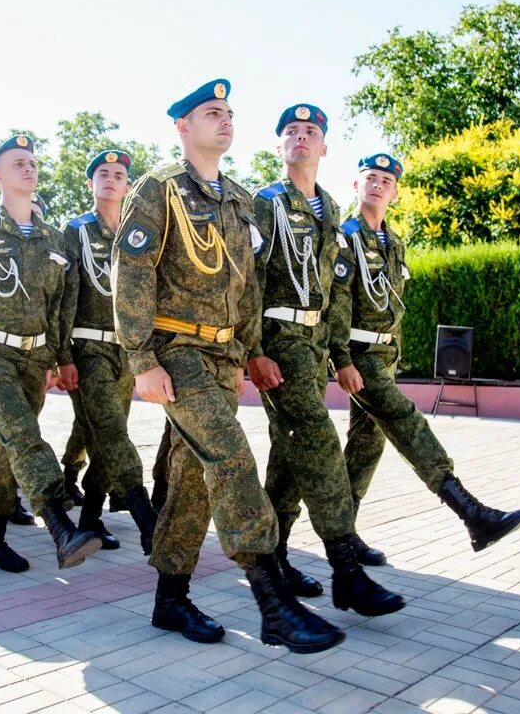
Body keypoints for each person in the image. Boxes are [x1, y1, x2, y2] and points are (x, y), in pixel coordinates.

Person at [112, 79, 343, 653]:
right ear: (183, 126)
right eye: (212, 112)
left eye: (230, 113)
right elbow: (132, 273)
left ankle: (170, 600)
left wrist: (249, 349)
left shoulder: (239, 200)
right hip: (174, 352)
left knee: (193, 481)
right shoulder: (158, 189)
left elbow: (245, 288)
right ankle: (273, 602)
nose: (225, 120)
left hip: (221, 356)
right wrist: (141, 359)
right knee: (233, 458)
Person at [333, 154, 520, 562]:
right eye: (370, 178)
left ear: (395, 192)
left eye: (386, 180)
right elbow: (335, 305)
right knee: (407, 422)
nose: (378, 185)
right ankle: (471, 513)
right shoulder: (344, 237)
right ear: (356, 185)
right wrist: (341, 360)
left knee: (366, 445)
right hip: (359, 354)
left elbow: (392, 305)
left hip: (384, 355)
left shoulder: (394, 241)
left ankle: (342, 537)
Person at [248, 104, 404, 617]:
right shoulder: (265, 203)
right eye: (290, 131)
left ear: (324, 148)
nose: (300, 137)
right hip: (280, 339)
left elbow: (333, 293)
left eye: (310, 131)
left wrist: (335, 355)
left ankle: (274, 559)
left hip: (313, 346)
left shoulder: (331, 209)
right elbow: (246, 281)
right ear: (280, 147)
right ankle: (346, 571)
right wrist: (253, 350)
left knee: (290, 456)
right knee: (317, 440)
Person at [0, 134, 101, 571]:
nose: (28, 168)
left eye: (31, 162)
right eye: (17, 163)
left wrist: (59, 356)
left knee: (11, 446)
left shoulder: (53, 237)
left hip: (35, 357)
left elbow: (61, 305)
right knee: (24, 434)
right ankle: (59, 525)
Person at [56, 149, 158, 553]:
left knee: (106, 438)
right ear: (91, 183)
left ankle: (91, 518)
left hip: (128, 353)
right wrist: (61, 354)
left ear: (128, 185)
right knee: (112, 432)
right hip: (88, 349)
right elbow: (63, 297)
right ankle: (144, 515)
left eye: (119, 174)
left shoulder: (137, 232)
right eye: (103, 173)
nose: (111, 179)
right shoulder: (75, 230)